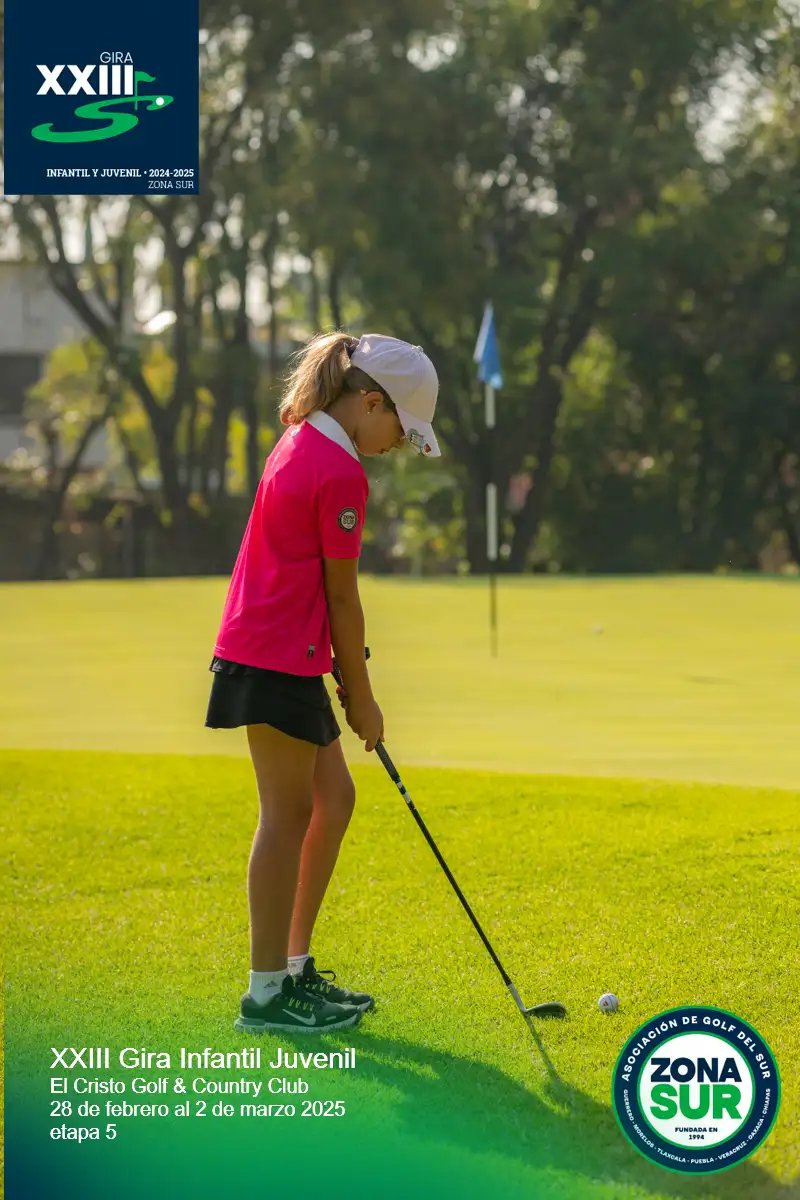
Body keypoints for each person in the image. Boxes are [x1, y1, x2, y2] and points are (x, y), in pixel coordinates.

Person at [206, 332, 440, 1033]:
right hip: (273, 655)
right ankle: (266, 995)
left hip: (284, 650)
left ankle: (293, 965)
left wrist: (343, 667)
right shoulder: (339, 470)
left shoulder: (301, 439)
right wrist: (362, 697)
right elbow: (342, 594)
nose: (399, 445)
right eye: (400, 428)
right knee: (287, 814)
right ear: (370, 402)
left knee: (333, 798)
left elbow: (314, 580)